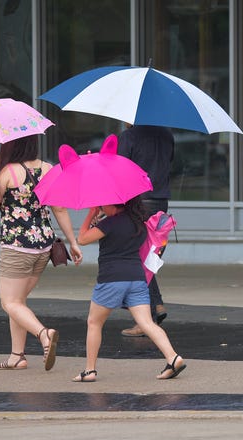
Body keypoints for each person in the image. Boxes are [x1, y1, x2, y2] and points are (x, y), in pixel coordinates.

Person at [0, 134, 83, 371]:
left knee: (10, 302)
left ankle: (44, 334)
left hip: (16, 247)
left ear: (11, 145)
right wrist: (73, 242)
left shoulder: (7, 172)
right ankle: (17, 356)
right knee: (18, 302)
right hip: (43, 246)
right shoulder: (48, 168)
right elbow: (59, 208)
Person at [72, 197, 186, 382]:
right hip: (137, 279)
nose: (101, 206)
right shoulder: (138, 223)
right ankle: (173, 358)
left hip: (112, 280)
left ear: (115, 203)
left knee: (94, 323)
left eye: (103, 204)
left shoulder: (109, 223)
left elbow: (82, 239)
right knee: (147, 323)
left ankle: (89, 370)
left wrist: (91, 213)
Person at [117, 124, 174, 337]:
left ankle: (145, 319)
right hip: (160, 202)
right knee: (147, 257)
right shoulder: (167, 134)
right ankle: (157, 305)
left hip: (138, 202)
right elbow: (169, 163)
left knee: (136, 260)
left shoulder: (129, 136)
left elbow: (119, 170)